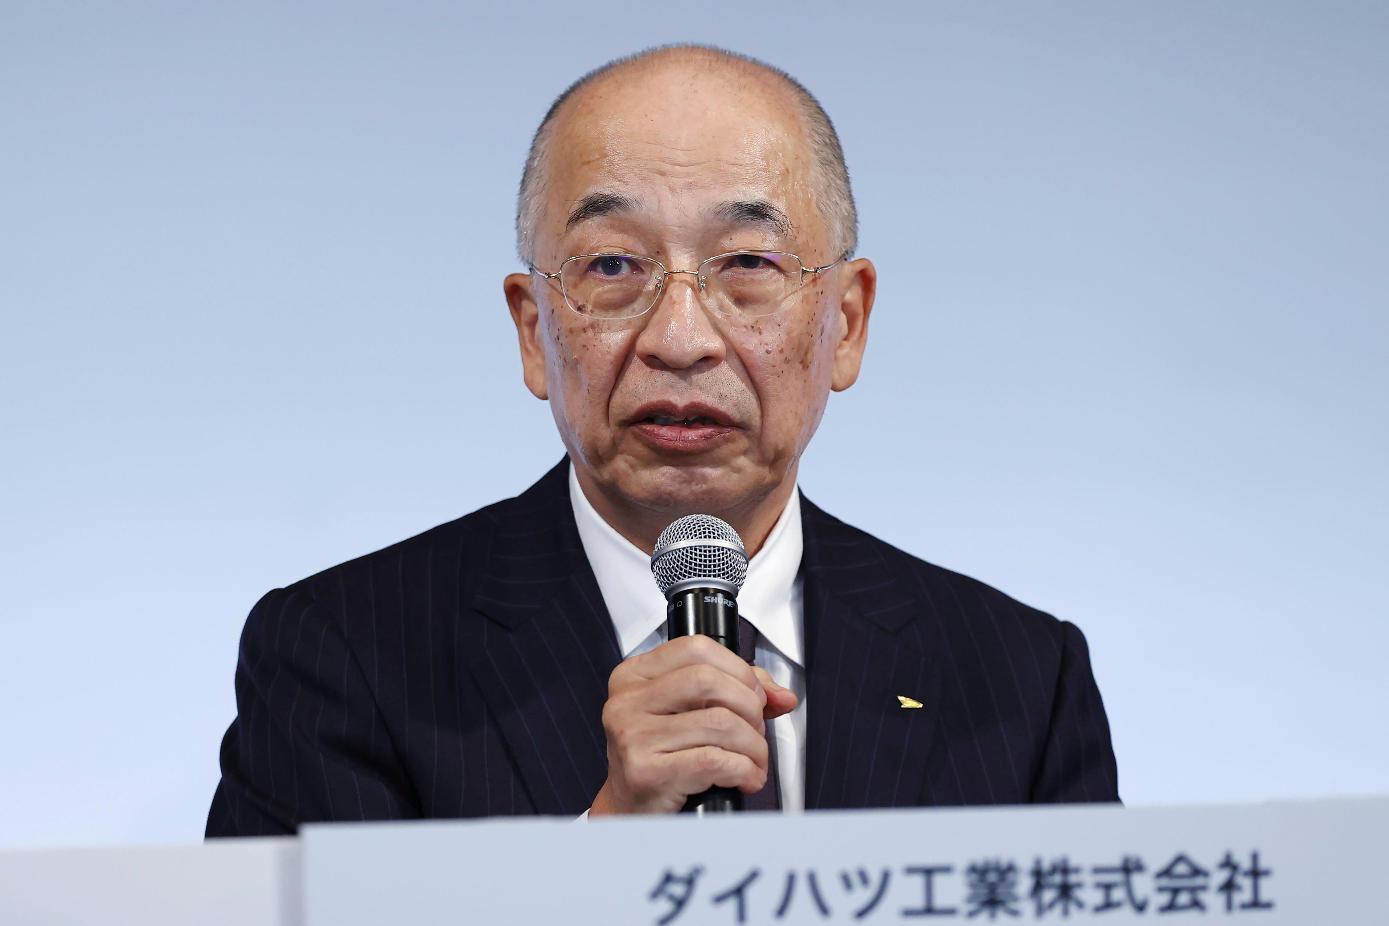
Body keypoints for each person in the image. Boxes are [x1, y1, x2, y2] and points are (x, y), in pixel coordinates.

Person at [206, 44, 1118, 836]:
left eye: (748, 264)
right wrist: (603, 850)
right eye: (612, 265)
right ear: (533, 332)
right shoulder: (344, 653)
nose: (680, 339)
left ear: (846, 323)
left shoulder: (1018, 677)